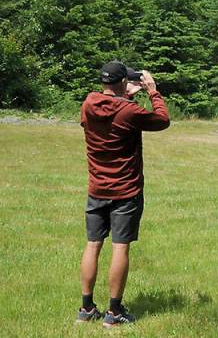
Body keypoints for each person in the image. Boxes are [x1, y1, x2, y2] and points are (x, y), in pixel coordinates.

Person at [76, 61, 169, 327]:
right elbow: (162, 120)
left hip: (96, 188)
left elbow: (110, 111)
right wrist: (152, 91)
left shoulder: (88, 104)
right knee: (120, 247)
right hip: (125, 191)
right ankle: (114, 313)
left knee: (93, 245)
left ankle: (86, 308)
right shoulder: (129, 111)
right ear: (121, 82)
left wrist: (123, 95)